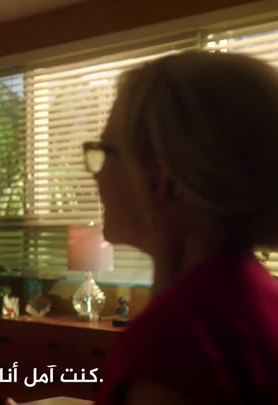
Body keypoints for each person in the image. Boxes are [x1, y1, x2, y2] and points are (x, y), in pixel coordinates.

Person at [84, 51, 278, 404]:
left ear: (159, 179)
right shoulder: (258, 298)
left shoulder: (178, 341)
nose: (95, 175)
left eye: (104, 151)